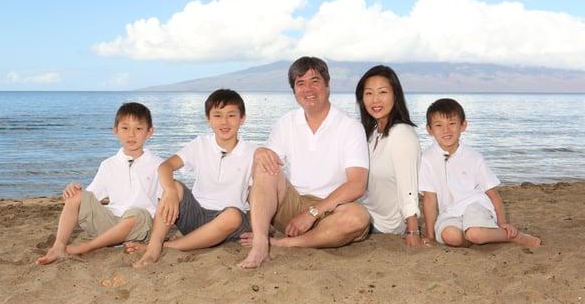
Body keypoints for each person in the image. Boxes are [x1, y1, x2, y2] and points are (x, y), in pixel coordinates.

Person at [238, 56, 370, 269]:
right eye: (300, 83)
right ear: (294, 91)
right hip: (292, 206)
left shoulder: (350, 127)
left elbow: (357, 184)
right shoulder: (286, 123)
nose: (308, 89)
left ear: (327, 85)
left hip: (330, 210)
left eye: (314, 81)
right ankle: (261, 244)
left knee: (357, 217)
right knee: (265, 162)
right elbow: (266, 176)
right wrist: (259, 152)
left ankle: (282, 243)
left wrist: (312, 213)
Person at [127, 89, 256, 268]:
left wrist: (260, 231)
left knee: (233, 215)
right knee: (176, 186)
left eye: (231, 115)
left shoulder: (252, 153)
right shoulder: (200, 144)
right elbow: (165, 166)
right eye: (217, 115)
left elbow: (258, 193)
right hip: (196, 215)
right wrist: (171, 191)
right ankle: (154, 247)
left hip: (229, 226)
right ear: (208, 119)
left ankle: (166, 246)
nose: (224, 122)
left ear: (242, 118)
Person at [36, 102, 163, 265]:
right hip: (109, 223)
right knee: (76, 194)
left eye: (138, 129)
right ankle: (59, 246)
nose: (131, 134)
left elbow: (165, 202)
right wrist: (74, 190)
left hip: (139, 226)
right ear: (115, 131)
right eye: (125, 128)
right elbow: (91, 196)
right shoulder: (108, 164)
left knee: (138, 213)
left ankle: (87, 247)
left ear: (149, 132)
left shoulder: (158, 165)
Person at [419, 98, 541, 248]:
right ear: (429, 130)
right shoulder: (426, 158)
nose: (446, 130)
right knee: (449, 236)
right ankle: (471, 239)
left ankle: (514, 237)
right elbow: (430, 199)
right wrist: (430, 235)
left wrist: (502, 223)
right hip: (450, 213)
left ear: (463, 125)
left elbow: (492, 193)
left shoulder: (473, 157)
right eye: (439, 125)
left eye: (452, 123)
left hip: (476, 207)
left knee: (475, 233)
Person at [355, 65, 423, 247]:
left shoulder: (401, 133)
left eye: (382, 92)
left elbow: (407, 184)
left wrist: (412, 229)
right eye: (369, 93)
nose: (375, 100)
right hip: (366, 213)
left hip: (385, 225)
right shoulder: (373, 132)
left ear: (395, 95)